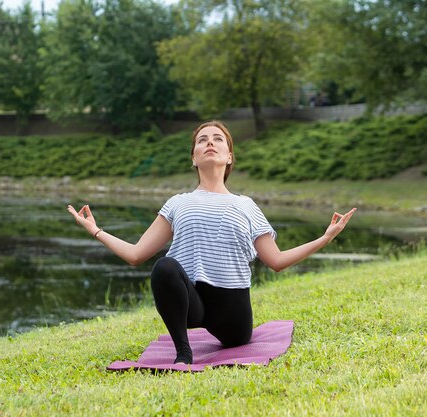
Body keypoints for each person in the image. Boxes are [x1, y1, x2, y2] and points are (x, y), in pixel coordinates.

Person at [67, 120, 356, 365]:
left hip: (233, 312)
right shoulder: (178, 203)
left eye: (218, 139)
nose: (210, 143)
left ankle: (197, 344)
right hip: (193, 304)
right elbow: (136, 254)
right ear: (193, 157)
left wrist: (324, 238)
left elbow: (277, 261)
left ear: (229, 156)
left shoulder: (246, 205)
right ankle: (183, 353)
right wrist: (95, 230)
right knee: (164, 266)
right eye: (202, 140)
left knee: (230, 326)